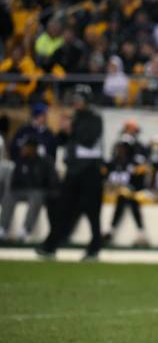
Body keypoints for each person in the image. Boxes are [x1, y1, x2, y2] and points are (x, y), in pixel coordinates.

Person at [37, 85, 104, 260]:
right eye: (75, 99)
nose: (76, 103)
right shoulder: (75, 118)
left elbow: (88, 140)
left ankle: (94, 248)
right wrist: (61, 128)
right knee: (62, 208)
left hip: (90, 171)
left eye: (80, 99)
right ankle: (50, 246)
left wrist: (70, 128)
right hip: (74, 171)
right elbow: (59, 141)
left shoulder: (94, 118)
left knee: (92, 212)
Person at [0, 136, 57, 241]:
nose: (23, 149)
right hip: (21, 191)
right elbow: (15, 180)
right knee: (8, 195)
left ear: (32, 148)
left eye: (25, 147)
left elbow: (48, 181)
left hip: (37, 191)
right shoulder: (20, 161)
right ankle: (3, 228)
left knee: (36, 195)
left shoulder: (44, 162)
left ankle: (26, 229)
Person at [104, 142, 148, 246]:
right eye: (118, 149)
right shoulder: (110, 163)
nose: (120, 151)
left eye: (122, 149)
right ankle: (140, 231)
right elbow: (103, 180)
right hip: (109, 192)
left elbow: (139, 184)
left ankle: (111, 230)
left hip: (126, 193)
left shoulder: (133, 165)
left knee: (127, 197)